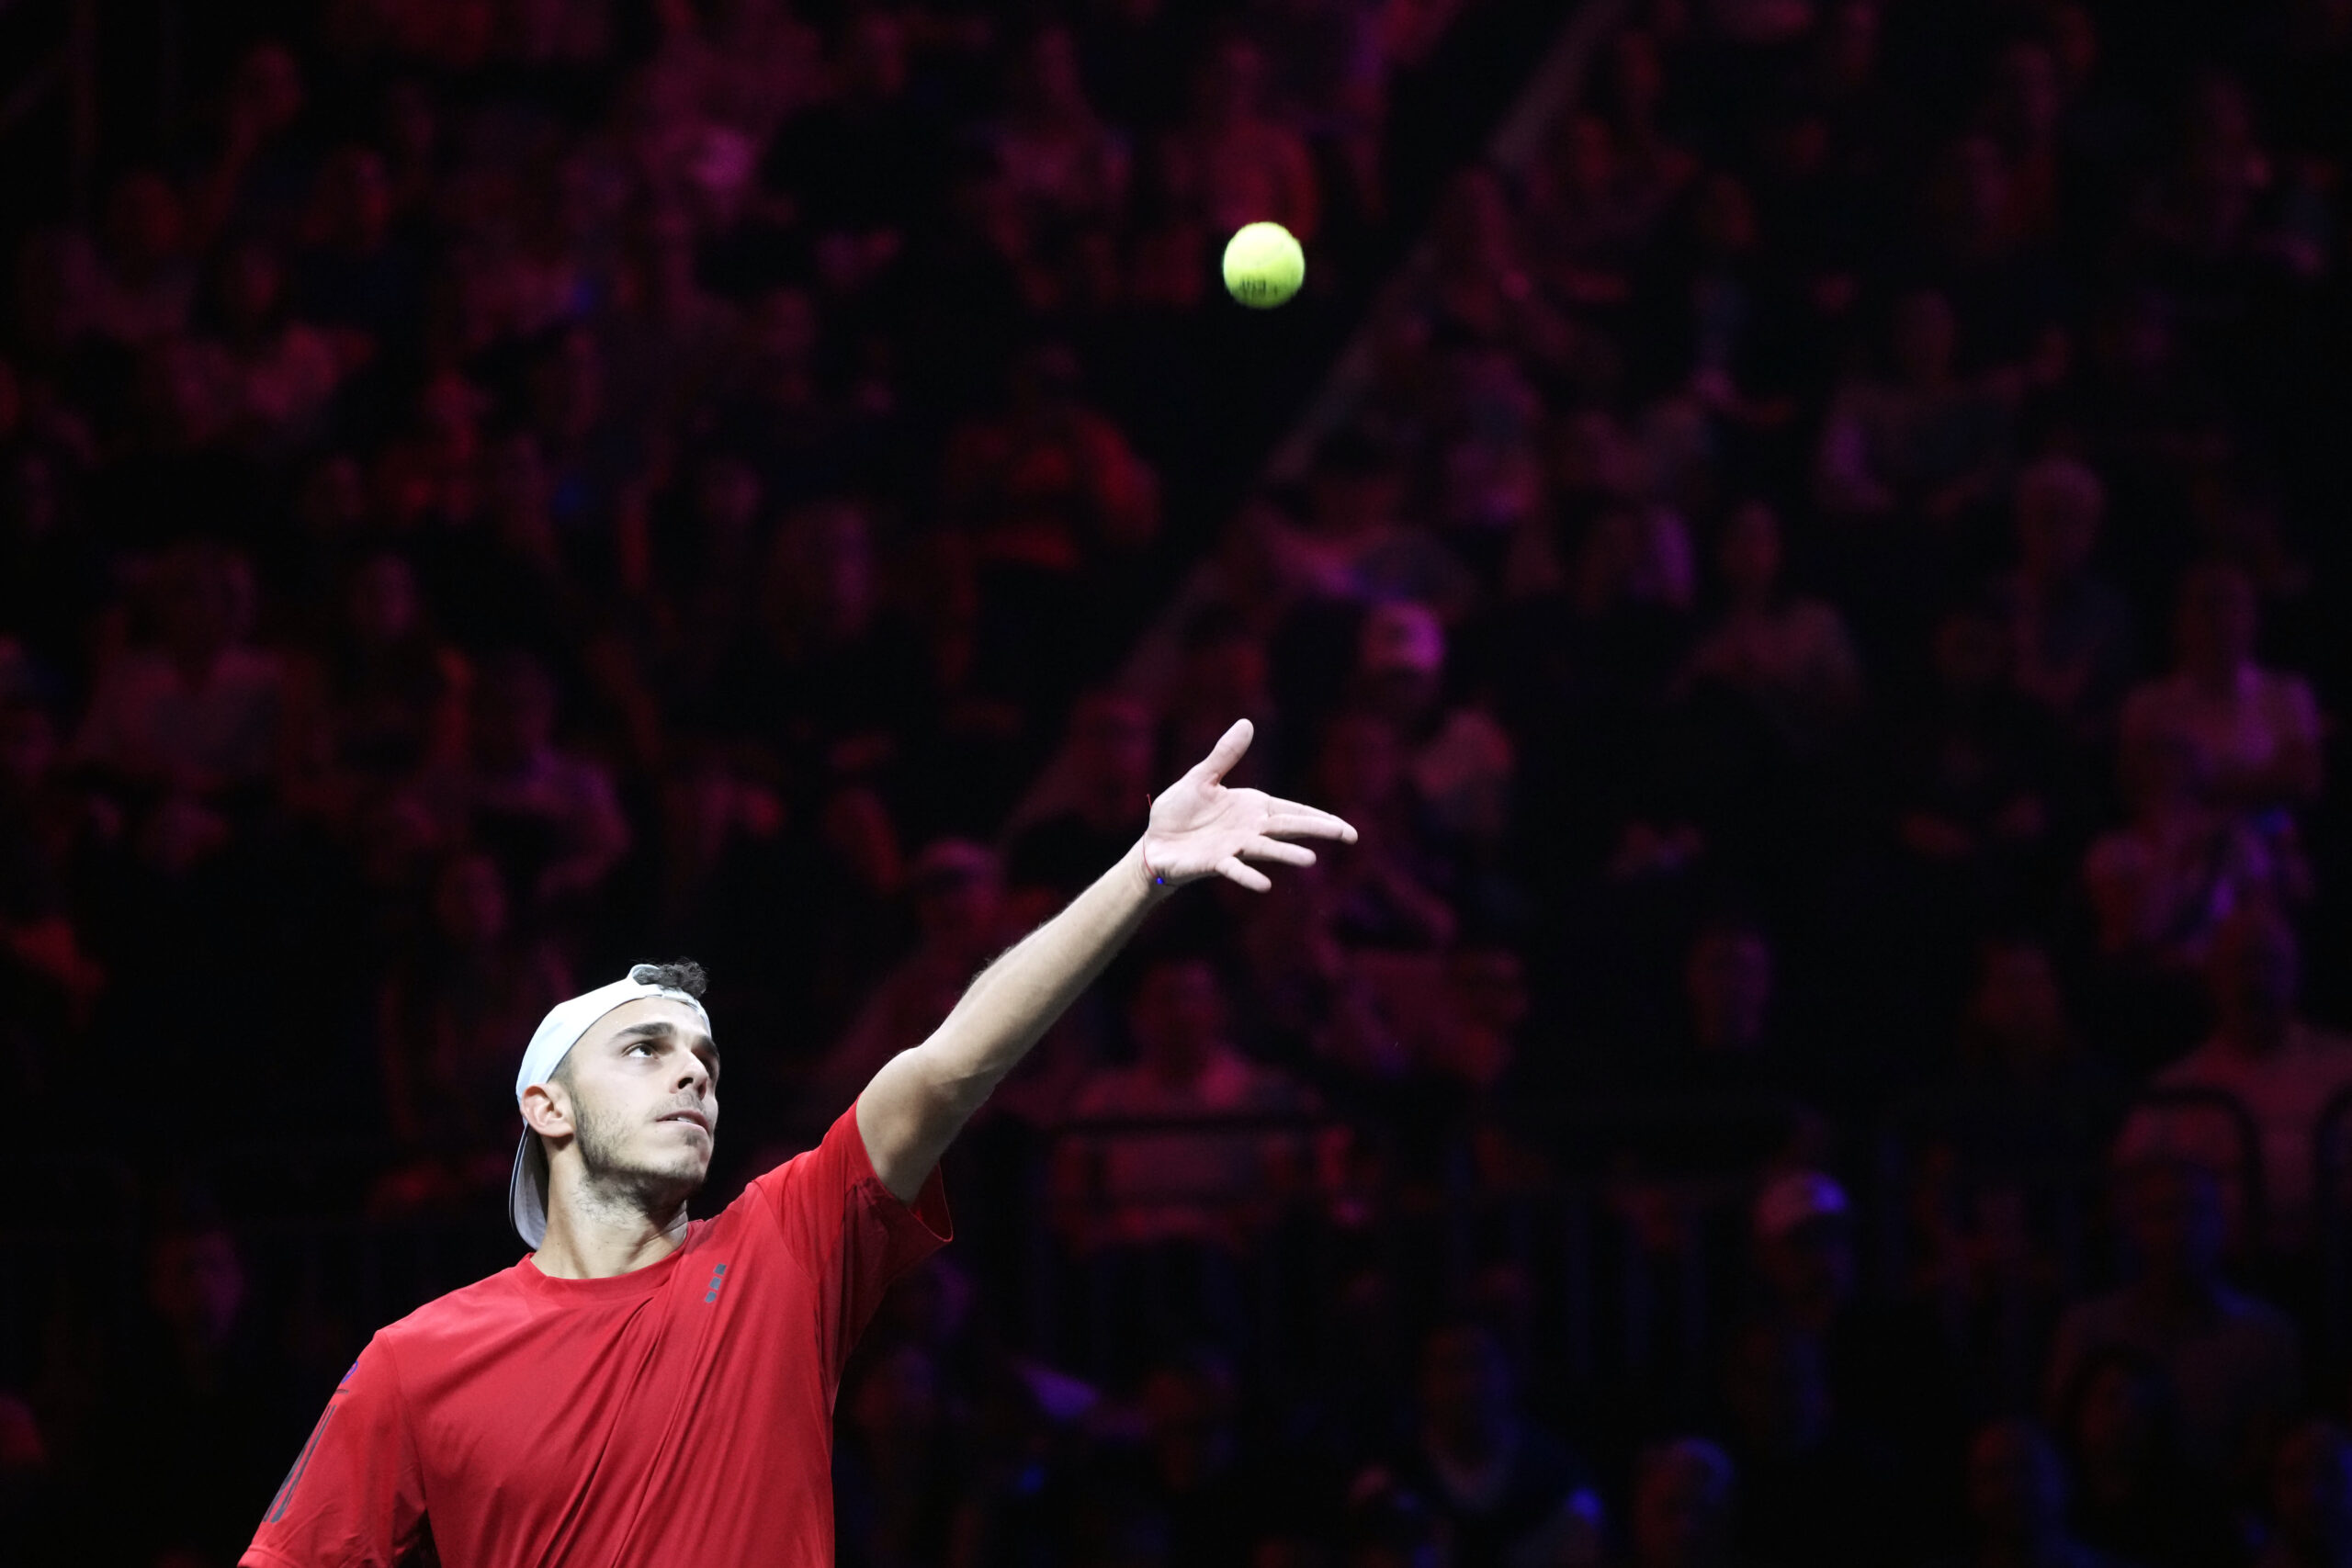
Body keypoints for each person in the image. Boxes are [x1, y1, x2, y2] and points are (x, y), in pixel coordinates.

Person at [242, 719, 1354, 1567]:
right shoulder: (416, 1361)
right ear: (547, 1107)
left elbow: (945, 1067)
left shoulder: (778, 1247)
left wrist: (1143, 872)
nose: (691, 1073)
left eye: (706, 1062)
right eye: (643, 1051)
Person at [2045, 1156, 2300, 1491]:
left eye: (2197, 1211)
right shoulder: (2088, 1328)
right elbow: (2058, 1445)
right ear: (2135, 1227)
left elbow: (2271, 1461)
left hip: (2219, 1522)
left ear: (2222, 1224)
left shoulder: (2264, 1335)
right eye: (2164, 1213)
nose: (2181, 1228)